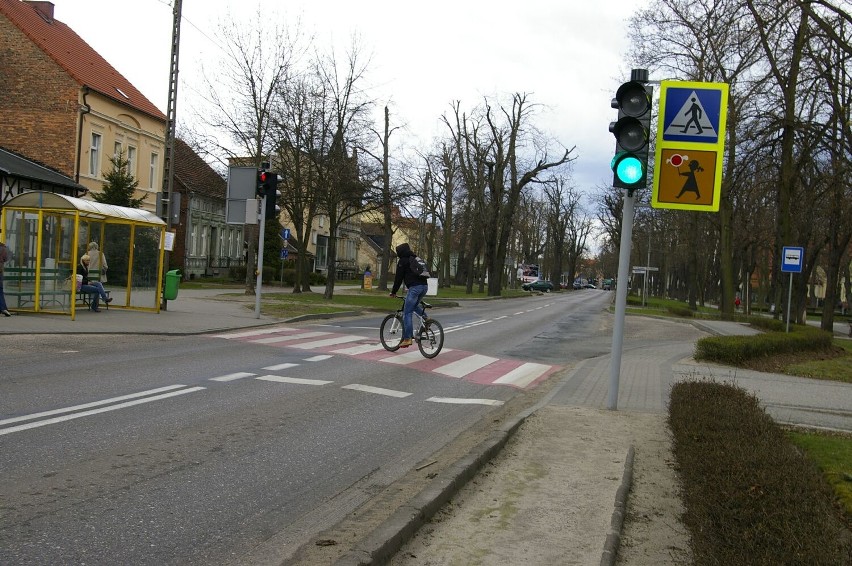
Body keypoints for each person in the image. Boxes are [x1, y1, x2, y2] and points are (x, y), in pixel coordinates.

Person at [389, 242, 429, 348]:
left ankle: (407, 339)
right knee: (414, 305)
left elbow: (398, 278)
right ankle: (426, 319)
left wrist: (393, 292)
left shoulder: (403, 261)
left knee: (407, 313)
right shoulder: (415, 258)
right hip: (424, 287)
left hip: (415, 288)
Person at [0, 240, 11, 317]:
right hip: (0, 271)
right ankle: (3, 308)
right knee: (0, 289)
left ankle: (3, 308)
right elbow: (6, 259)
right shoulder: (3, 248)